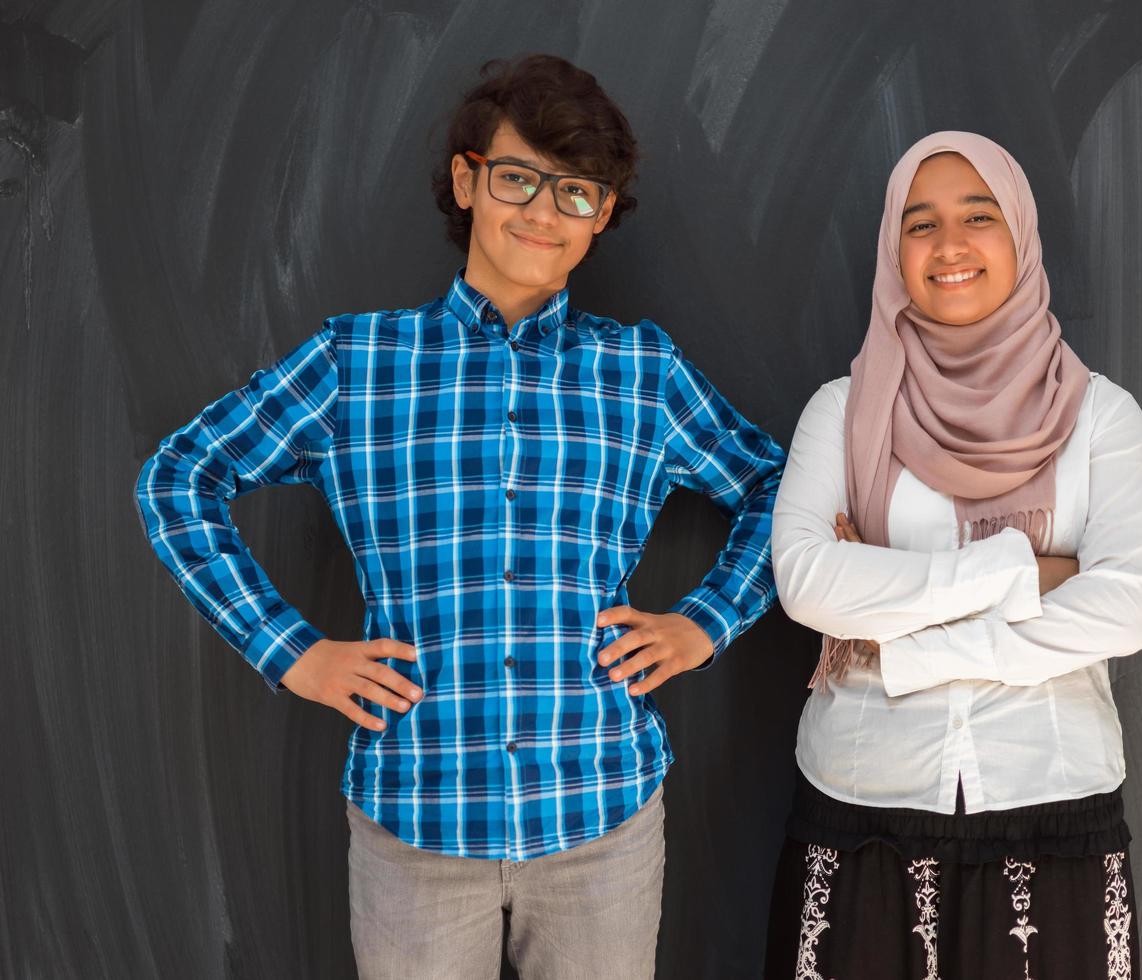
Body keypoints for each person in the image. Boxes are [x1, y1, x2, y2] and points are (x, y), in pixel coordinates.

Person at [134, 53, 785, 980]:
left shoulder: (643, 374)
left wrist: (702, 626)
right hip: (415, 822)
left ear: (600, 215)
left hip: (600, 813)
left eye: (575, 192)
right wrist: (294, 653)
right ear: (467, 180)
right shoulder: (356, 364)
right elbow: (177, 476)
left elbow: (781, 489)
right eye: (518, 177)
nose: (542, 211)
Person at [763, 131, 1142, 980]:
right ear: (892, 250)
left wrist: (903, 640)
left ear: (1017, 234)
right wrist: (1020, 572)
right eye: (920, 223)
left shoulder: (1102, 419)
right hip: (860, 805)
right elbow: (805, 579)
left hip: (1050, 805)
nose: (949, 246)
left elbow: (1122, 608)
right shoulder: (840, 413)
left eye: (977, 216)